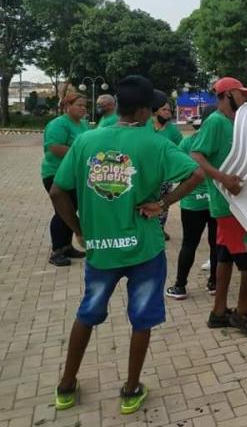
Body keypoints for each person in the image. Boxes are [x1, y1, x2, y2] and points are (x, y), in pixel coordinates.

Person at [49, 75, 204, 415]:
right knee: (141, 320)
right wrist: (163, 205)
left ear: (118, 106)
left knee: (87, 313)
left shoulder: (87, 141)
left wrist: (79, 231)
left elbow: (58, 191)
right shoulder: (156, 144)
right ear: (147, 110)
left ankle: (65, 385)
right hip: (144, 249)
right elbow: (196, 174)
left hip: (101, 250)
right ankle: (131, 389)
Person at [191, 77, 247, 337]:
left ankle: (219, 311)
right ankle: (242, 312)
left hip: (238, 204)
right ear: (227, 95)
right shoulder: (215, 122)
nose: (245, 98)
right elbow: (196, 155)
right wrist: (223, 178)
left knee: (224, 258)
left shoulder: (235, 123)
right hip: (230, 207)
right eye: (241, 94)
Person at [166, 105, 218, 300]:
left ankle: (180, 286)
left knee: (189, 244)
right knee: (216, 244)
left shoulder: (188, 143)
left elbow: (174, 170)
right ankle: (214, 283)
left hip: (192, 204)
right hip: (216, 202)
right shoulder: (222, 143)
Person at [41, 92, 89, 266]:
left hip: (74, 176)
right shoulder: (58, 124)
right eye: (79, 105)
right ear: (67, 106)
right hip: (55, 174)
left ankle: (67, 246)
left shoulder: (83, 125)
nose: (83, 108)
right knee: (62, 211)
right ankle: (57, 251)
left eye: (85, 106)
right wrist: (80, 155)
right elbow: (54, 147)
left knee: (71, 209)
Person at [150, 91, 183, 241]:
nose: (168, 112)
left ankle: (159, 229)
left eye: (169, 110)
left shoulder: (173, 132)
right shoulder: (146, 127)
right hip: (147, 174)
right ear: (155, 111)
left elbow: (180, 151)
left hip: (164, 176)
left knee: (163, 203)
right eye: (164, 110)